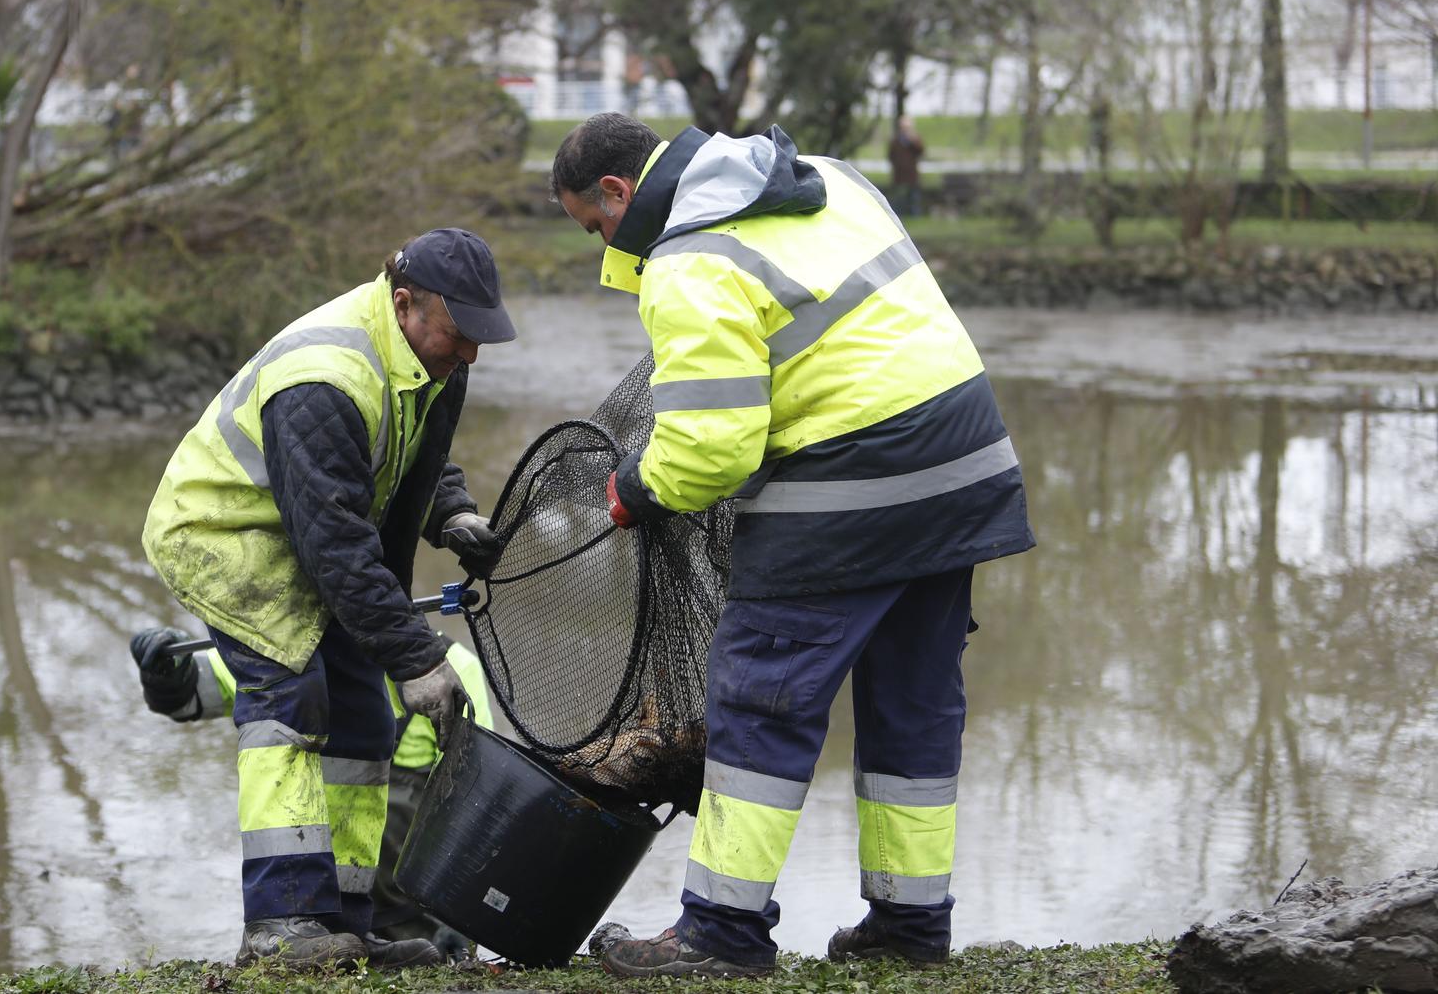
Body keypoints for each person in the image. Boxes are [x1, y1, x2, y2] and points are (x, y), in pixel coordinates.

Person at [549, 113, 1033, 977]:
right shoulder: (826, 174)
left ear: (619, 193)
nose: (602, 248)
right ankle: (911, 925)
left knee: (759, 697)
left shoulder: (690, 261)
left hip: (854, 479)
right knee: (913, 699)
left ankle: (721, 935)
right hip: (962, 468)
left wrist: (634, 488)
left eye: (595, 227)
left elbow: (713, 448)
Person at [141, 228, 514, 972]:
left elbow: (413, 452)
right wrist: (415, 656)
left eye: (479, 335)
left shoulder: (435, 355)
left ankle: (347, 921)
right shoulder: (325, 374)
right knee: (290, 702)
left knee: (365, 719)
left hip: (312, 530)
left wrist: (453, 513)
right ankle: (283, 924)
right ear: (404, 304)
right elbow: (336, 546)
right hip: (227, 534)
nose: (468, 352)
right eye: (457, 332)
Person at [128, 624, 494, 960]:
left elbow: (474, 802)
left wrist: (459, 913)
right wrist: (166, 671)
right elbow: (190, 695)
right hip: (310, 916)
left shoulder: (450, 669)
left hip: (413, 911)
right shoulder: (291, 645)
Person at [888, 114, 926, 217]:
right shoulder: (895, 140)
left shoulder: (915, 138)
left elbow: (921, 151)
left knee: (914, 197)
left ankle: (915, 215)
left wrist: (912, 140)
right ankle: (899, 215)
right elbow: (891, 155)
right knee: (899, 197)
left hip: (911, 173)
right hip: (899, 173)